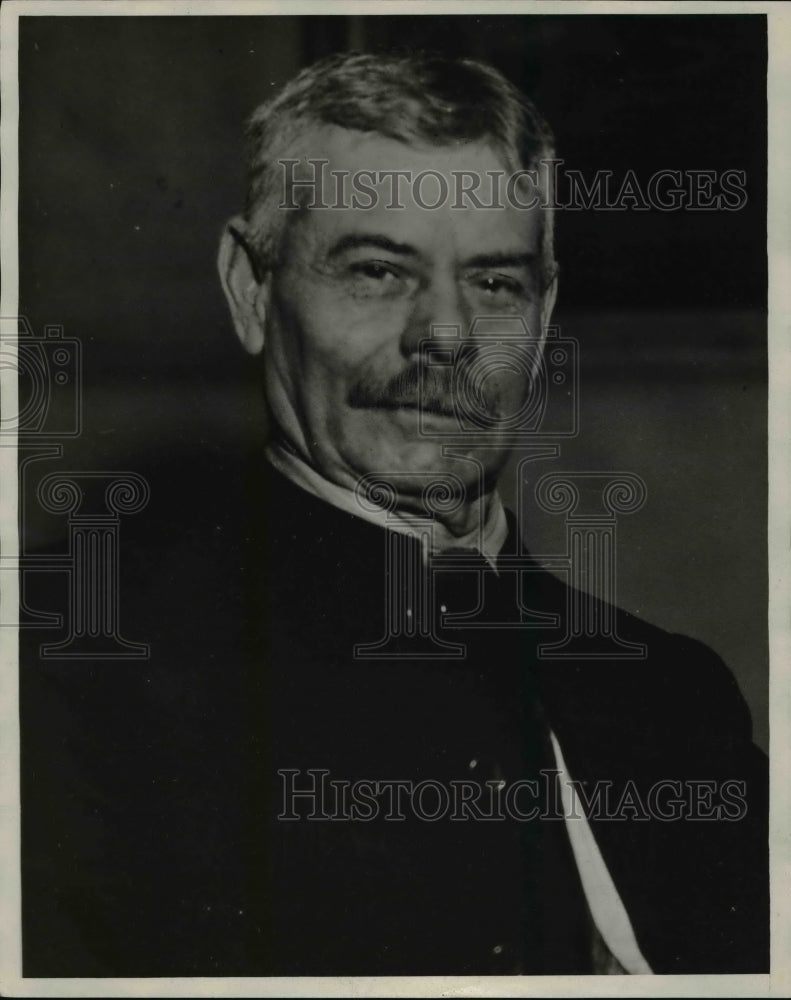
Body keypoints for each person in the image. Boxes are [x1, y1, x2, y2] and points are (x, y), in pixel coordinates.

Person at [20, 50, 768, 978]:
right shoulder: (79, 686)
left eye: (495, 283)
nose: (446, 333)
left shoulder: (671, 699)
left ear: (544, 318)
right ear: (250, 288)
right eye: (377, 271)